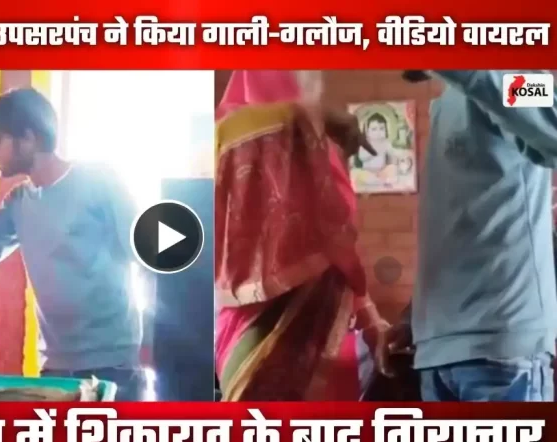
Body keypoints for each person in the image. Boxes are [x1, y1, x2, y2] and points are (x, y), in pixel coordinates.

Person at [0, 88, 145, 401]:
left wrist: (160, 344)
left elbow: (146, 255)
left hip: (114, 364)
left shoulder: (100, 181)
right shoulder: (19, 201)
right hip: (55, 367)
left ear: (29, 138)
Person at [214, 70, 393, 401]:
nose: (315, 86)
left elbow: (340, 255)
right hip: (255, 335)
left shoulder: (314, 150)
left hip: (322, 334)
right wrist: (316, 117)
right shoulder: (232, 135)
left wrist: (373, 323)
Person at [405, 70, 556, 401]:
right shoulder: (449, 100)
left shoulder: (520, 75)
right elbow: (459, 226)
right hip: (438, 352)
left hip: (502, 346)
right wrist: (412, 321)